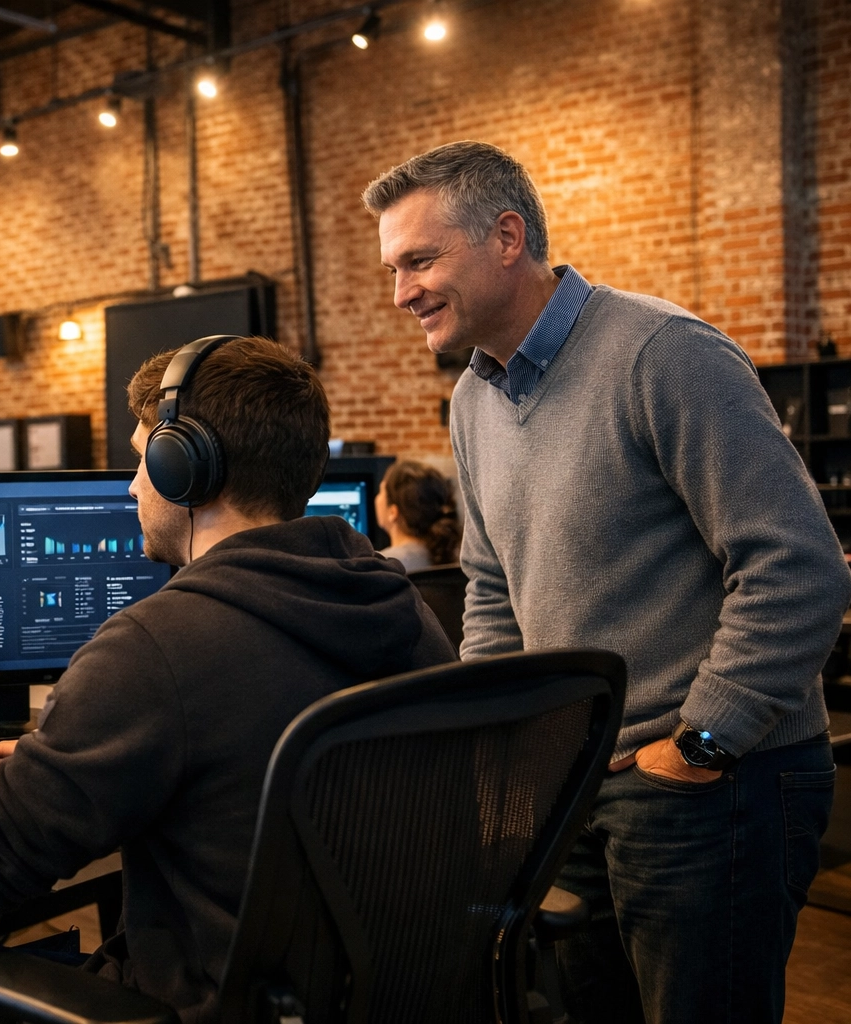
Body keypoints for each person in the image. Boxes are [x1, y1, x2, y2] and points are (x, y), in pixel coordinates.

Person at [0, 336, 455, 1024]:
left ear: (187, 468)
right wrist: (59, 768)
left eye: (140, 459)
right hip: (370, 997)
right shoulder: (402, 613)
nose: (131, 485)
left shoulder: (157, 647)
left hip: (194, 1005)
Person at [364, 140, 849, 1023]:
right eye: (395, 269)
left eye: (421, 261)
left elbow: (797, 563)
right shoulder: (473, 399)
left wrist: (702, 744)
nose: (402, 292)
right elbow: (491, 590)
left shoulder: (663, 354)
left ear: (507, 237)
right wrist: (504, 757)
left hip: (715, 782)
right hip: (575, 780)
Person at [374, 460, 461, 571]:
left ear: (393, 512)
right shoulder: (459, 561)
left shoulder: (378, 568)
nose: (376, 498)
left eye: (381, 492)